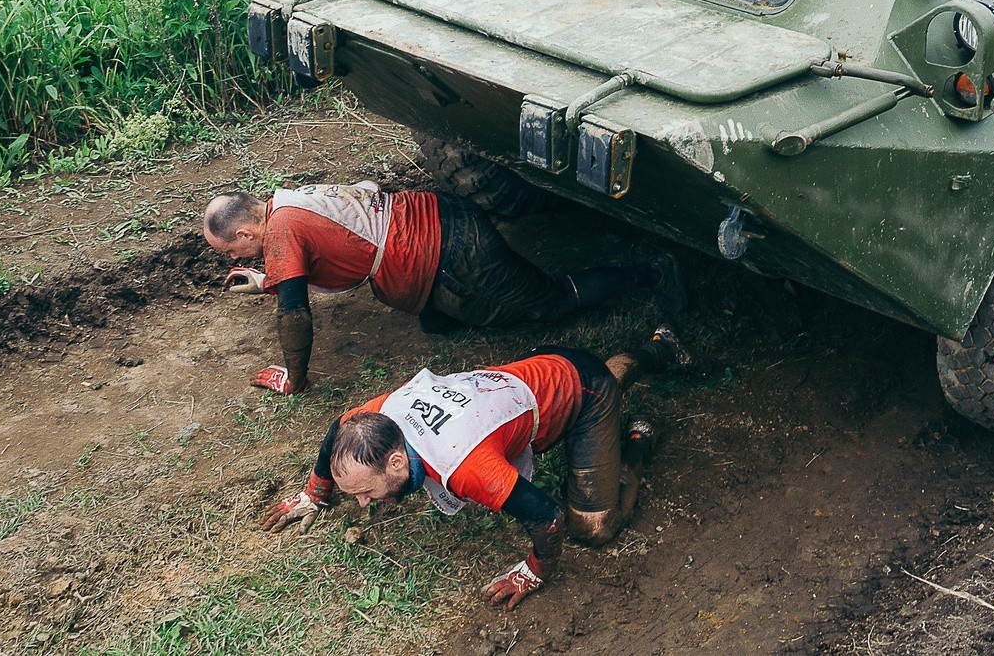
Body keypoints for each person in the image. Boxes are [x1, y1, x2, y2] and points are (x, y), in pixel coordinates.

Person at [260, 330, 687, 610]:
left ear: (395, 459)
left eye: (366, 492)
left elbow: (548, 517)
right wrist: (315, 492)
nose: (364, 503)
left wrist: (533, 571)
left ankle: (638, 438)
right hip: (539, 366)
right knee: (586, 377)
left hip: (583, 393)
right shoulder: (378, 417)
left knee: (591, 527)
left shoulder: (464, 466)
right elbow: (338, 427)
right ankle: (659, 346)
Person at [205, 181, 680, 394]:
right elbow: (334, 254)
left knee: (549, 302)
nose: (234, 259)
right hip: (439, 220)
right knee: (437, 321)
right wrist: (267, 279)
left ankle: (652, 270)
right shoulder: (287, 204)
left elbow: (295, 315)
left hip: (452, 252)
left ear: (246, 233)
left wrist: (295, 376)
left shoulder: (283, 232)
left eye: (231, 251)